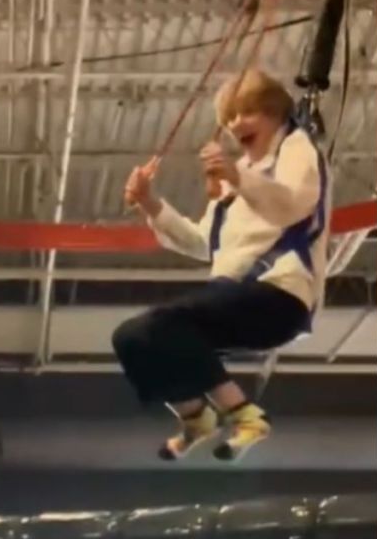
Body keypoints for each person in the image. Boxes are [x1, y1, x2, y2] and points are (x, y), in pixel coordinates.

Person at [113, 69, 330, 461]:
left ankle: (245, 415)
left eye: (248, 113)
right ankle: (195, 417)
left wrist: (237, 176)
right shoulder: (237, 180)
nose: (235, 125)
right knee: (133, 337)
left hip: (280, 293)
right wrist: (150, 202)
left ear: (276, 114)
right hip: (234, 296)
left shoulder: (295, 148)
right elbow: (201, 242)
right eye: (229, 119)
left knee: (165, 324)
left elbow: (294, 203)